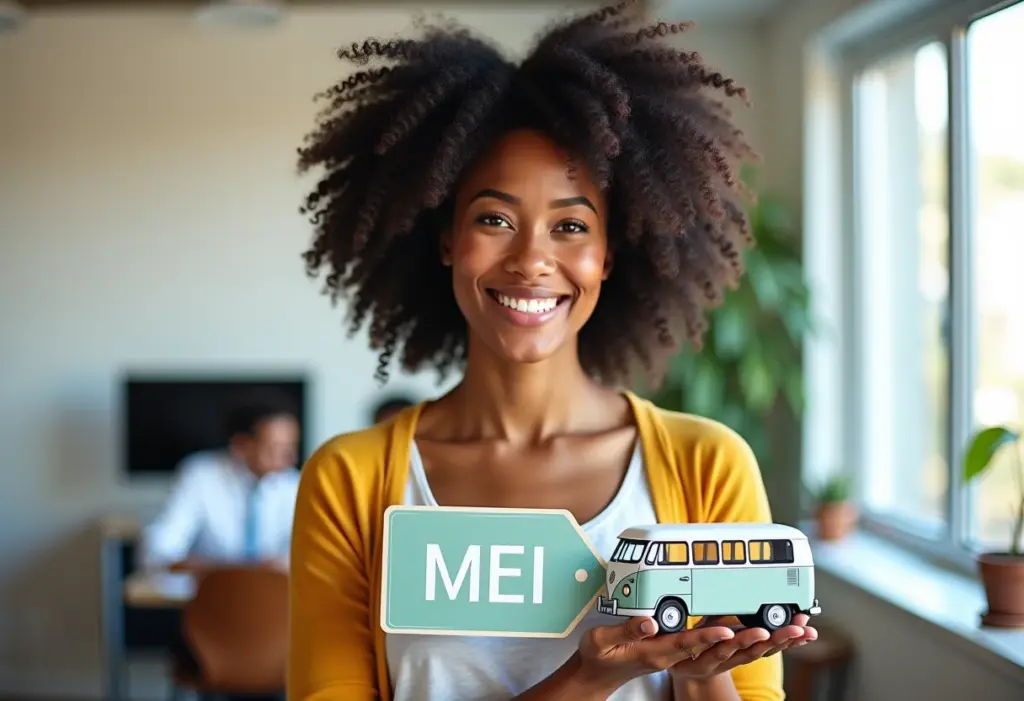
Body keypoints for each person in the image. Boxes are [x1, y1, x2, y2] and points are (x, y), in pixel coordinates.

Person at [288, 2, 818, 700]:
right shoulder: (350, 483)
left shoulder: (706, 465)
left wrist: (700, 673)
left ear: (609, 253)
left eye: (570, 224)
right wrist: (588, 677)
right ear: (447, 238)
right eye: (494, 218)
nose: (532, 258)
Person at [139, 390, 301, 573]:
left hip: (274, 596)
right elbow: (160, 550)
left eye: (291, 447)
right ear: (241, 445)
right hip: (211, 594)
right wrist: (227, 571)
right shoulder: (199, 475)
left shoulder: (295, 485)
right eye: (275, 448)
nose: (290, 458)